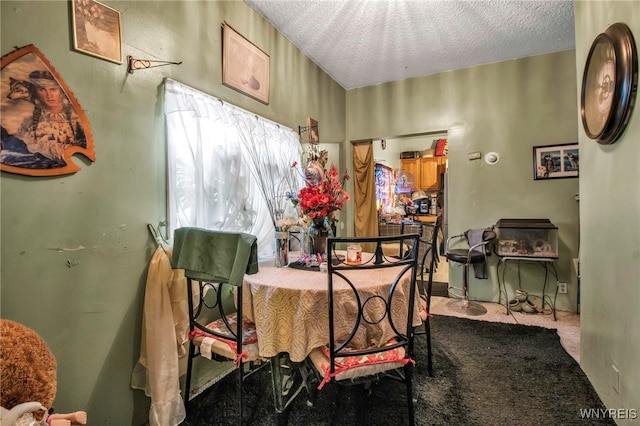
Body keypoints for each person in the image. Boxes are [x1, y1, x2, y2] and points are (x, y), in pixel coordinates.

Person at [17, 70, 85, 161]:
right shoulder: (28, 122)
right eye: (42, 90)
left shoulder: (76, 120)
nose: (49, 95)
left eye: (53, 89)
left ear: (61, 91)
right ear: (36, 92)